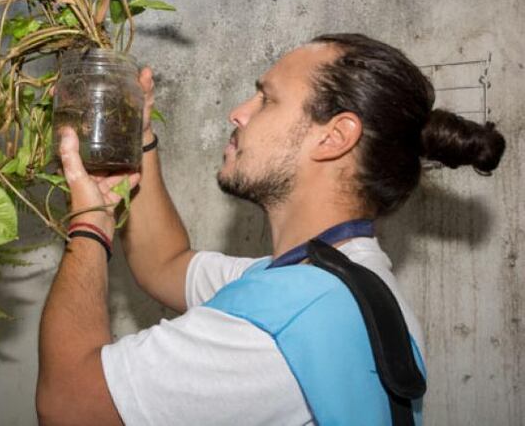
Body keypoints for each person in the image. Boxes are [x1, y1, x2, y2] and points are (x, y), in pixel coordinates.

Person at [35, 34, 506, 425]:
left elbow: (67, 404)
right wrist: (141, 141)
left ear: (334, 136)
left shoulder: (279, 326)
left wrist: (91, 224)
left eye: (267, 98)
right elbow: (164, 265)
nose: (239, 111)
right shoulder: (339, 283)